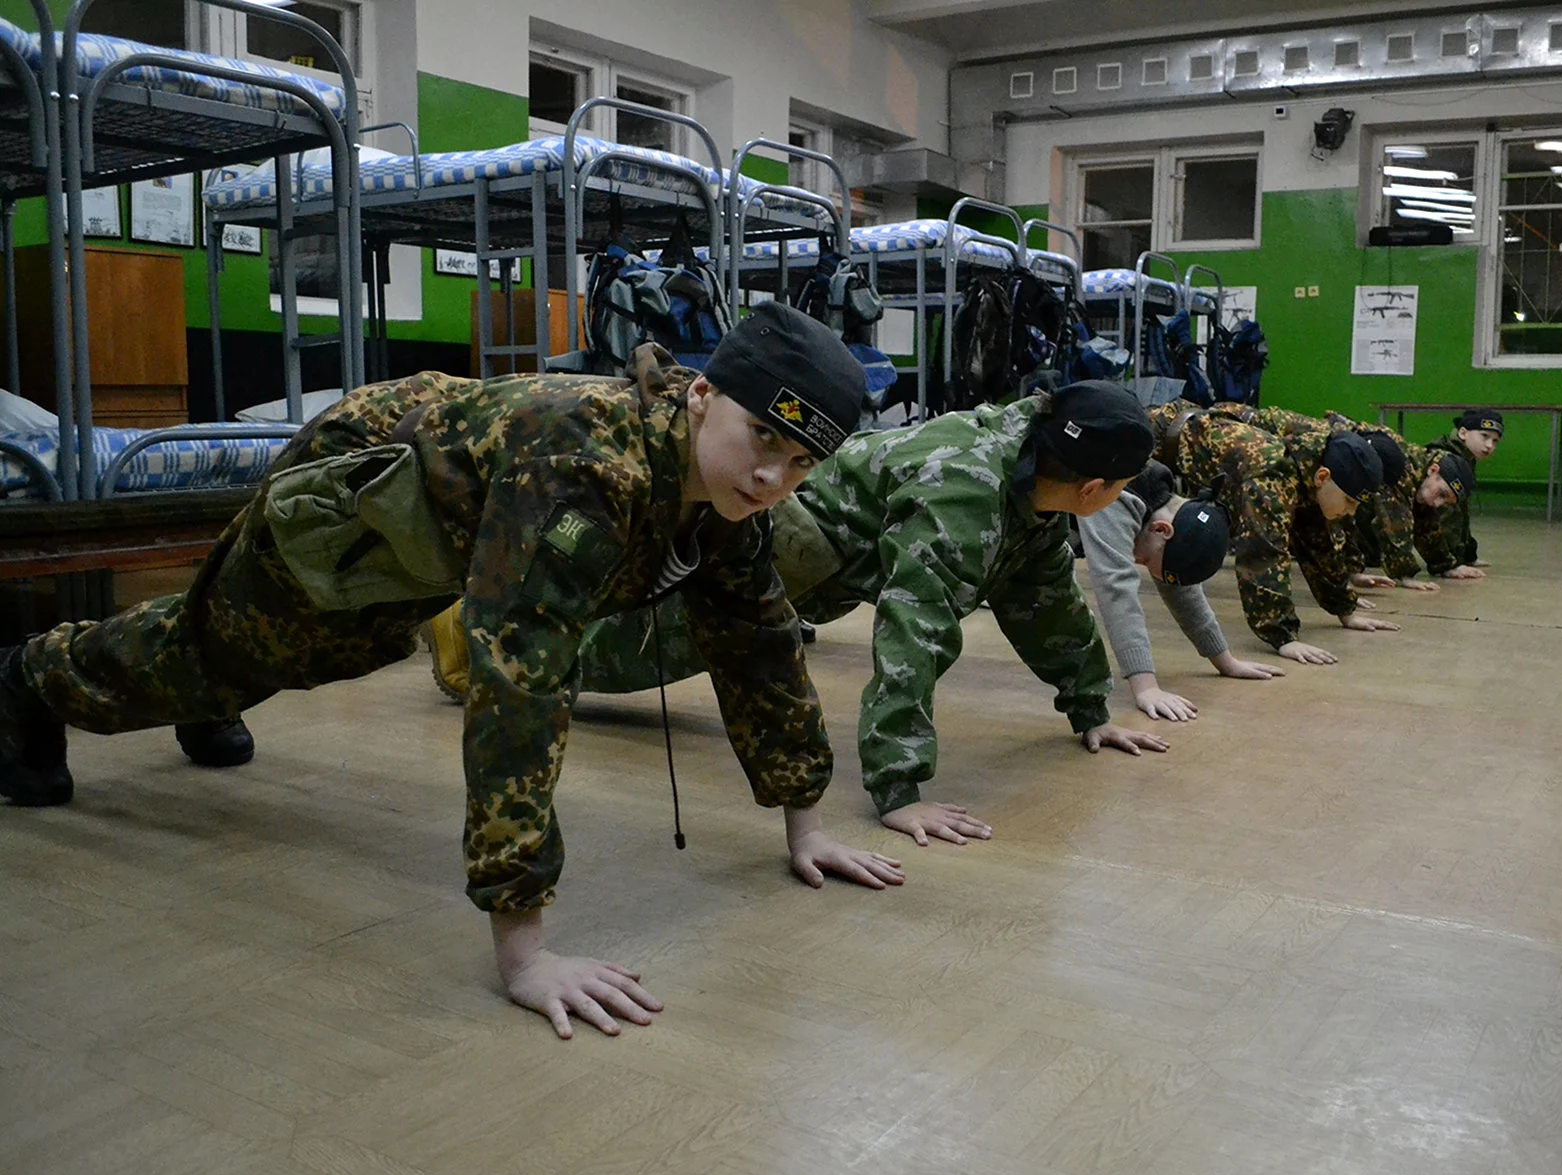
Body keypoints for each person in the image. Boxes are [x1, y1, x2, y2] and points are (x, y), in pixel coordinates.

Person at [1, 303, 902, 1039]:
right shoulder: (586, 467)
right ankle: (28, 680)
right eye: (762, 440)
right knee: (215, 653)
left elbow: (761, 645)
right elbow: (520, 677)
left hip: (436, 527)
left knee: (278, 655)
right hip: (359, 496)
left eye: (801, 464)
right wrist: (524, 951)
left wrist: (806, 825)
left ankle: (216, 685)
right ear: (703, 395)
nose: (774, 478)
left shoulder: (726, 499)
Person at [430, 380, 1173, 848]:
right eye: (1128, 489)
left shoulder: (1029, 497)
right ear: (1093, 489)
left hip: (822, 565)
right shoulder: (968, 488)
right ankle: (469, 640)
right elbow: (917, 627)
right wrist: (898, 791)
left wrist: (1090, 710)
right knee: (654, 644)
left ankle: (493, 620)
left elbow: (1045, 602)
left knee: (648, 615)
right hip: (788, 536)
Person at [1145, 402, 1393, 664]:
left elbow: (1318, 542)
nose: (1350, 512)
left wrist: (1345, 609)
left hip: (1182, 438)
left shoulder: (1313, 466)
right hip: (1154, 438)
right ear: (1322, 477)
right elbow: (1262, 551)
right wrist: (1283, 636)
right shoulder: (1272, 470)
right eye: (1349, 501)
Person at [1075, 460, 1285, 722]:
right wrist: (1147, 687)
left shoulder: (1161, 504)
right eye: (1146, 561)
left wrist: (1224, 660)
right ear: (1162, 529)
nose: (1139, 562)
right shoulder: (1115, 489)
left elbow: (1181, 590)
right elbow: (1115, 587)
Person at [1205, 403, 1473, 594]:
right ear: (1434, 470)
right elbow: (1394, 522)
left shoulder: (1406, 469)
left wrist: (1445, 565)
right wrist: (1404, 573)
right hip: (1228, 427)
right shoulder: (1396, 466)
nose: (1437, 503)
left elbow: (1422, 520)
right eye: (1442, 494)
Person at [1420, 409, 1503, 579]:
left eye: (1495, 441)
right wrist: (1450, 564)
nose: (1490, 446)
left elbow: (1463, 513)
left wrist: (1468, 555)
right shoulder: (1448, 458)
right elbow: (1446, 517)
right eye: (1484, 436)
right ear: (1463, 433)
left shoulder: (1465, 457)